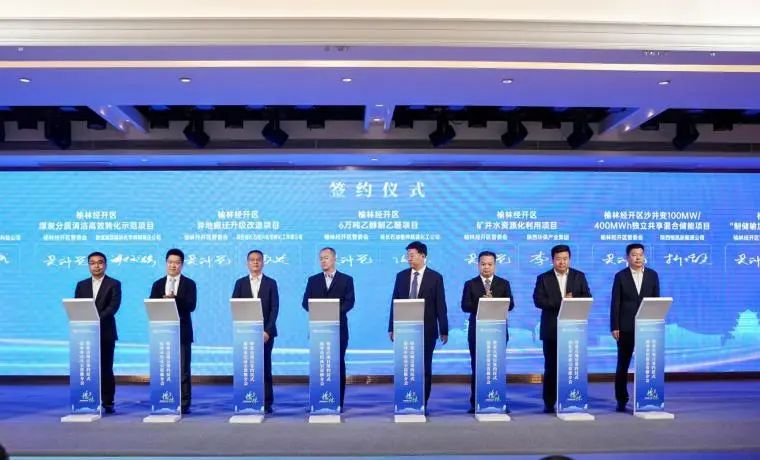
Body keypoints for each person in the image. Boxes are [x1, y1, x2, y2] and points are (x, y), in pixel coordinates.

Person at [388, 241, 449, 412]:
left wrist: (443, 329)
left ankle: (422, 402)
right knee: (406, 367)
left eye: (412, 255)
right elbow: (394, 302)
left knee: (424, 367)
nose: (409, 258)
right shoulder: (401, 276)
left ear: (423, 256)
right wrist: (392, 327)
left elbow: (440, 305)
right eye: (407, 255)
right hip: (404, 329)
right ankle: (405, 400)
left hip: (427, 330)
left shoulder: (435, 277)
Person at [532, 244, 591, 413]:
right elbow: (538, 301)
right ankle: (549, 402)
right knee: (551, 367)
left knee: (572, 366)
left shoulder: (579, 276)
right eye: (558, 259)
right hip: (551, 329)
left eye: (565, 259)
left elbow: (587, 297)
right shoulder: (543, 278)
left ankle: (572, 398)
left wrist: (574, 300)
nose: (562, 262)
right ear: (552, 260)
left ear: (569, 259)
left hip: (574, 330)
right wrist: (563, 301)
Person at [461, 250, 514, 414]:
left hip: (498, 331)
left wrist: (494, 302)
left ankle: (499, 400)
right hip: (477, 332)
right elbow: (465, 306)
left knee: (497, 367)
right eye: (483, 264)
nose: (486, 267)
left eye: (490, 264)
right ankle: (476, 402)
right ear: (478, 265)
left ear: (495, 265)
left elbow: (510, 305)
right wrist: (482, 303)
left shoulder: (503, 283)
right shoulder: (470, 284)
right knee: (477, 367)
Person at [302, 247, 355, 410]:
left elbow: (350, 302)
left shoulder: (346, 279)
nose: (323, 261)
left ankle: (337, 402)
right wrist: (321, 311)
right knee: (319, 365)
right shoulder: (313, 280)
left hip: (339, 330)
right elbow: (305, 302)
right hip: (319, 330)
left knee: (337, 364)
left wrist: (331, 312)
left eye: (326, 257)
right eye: (321, 258)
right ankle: (318, 400)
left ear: (334, 259)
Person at [611, 243, 660, 412]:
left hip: (647, 327)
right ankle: (621, 399)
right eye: (634, 255)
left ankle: (647, 396)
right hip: (625, 327)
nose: (638, 258)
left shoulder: (652, 275)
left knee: (647, 364)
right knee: (623, 364)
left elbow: (656, 301)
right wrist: (615, 326)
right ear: (627, 257)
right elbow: (615, 303)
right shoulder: (621, 276)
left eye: (640, 254)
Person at [149, 248, 197, 415]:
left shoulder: (189, 284)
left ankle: (184, 402)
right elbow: (152, 305)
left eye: (177, 263)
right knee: (163, 369)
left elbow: (191, 305)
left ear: (182, 265)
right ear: (166, 263)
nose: (173, 265)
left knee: (183, 369)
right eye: (170, 262)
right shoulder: (157, 284)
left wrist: (174, 299)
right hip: (162, 333)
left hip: (182, 332)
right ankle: (163, 398)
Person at [232, 249, 279, 413]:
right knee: (247, 368)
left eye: (258, 259)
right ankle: (247, 399)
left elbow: (274, 309)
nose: (255, 262)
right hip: (245, 334)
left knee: (264, 367)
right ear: (247, 263)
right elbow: (235, 306)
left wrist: (267, 331)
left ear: (263, 262)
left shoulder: (271, 283)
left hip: (265, 334)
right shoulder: (240, 283)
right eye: (252, 260)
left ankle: (266, 402)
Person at [74, 251, 121, 414]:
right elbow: (77, 306)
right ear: (89, 265)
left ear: (105, 265)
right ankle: (87, 397)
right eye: (92, 263)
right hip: (85, 333)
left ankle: (108, 401)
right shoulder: (82, 285)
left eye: (100, 262)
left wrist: (96, 318)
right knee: (87, 368)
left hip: (106, 332)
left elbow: (113, 307)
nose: (96, 266)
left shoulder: (114, 284)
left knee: (106, 367)